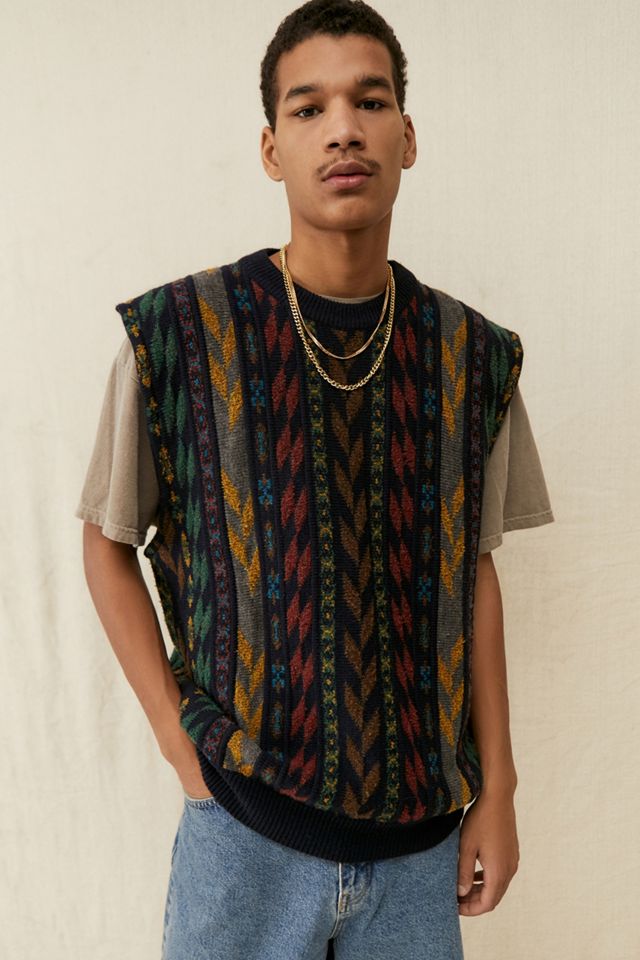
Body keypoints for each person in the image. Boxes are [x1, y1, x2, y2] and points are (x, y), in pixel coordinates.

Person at [75, 1, 555, 957]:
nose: (343, 129)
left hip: (419, 847)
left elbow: (475, 570)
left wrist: (499, 789)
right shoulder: (181, 338)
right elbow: (105, 540)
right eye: (309, 108)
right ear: (271, 148)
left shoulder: (471, 356)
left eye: (370, 102)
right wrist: (179, 742)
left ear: (407, 136)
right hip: (242, 831)